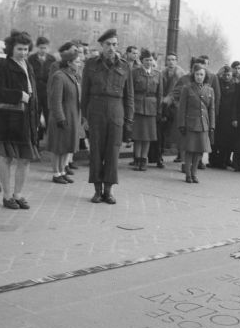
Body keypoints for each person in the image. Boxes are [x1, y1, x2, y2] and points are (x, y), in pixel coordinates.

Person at [81, 29, 134, 204]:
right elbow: (85, 93)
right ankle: (97, 190)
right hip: (95, 110)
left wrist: (129, 120)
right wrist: (84, 117)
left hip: (116, 109)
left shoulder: (125, 66)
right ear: (102, 46)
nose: (112, 48)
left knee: (113, 151)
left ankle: (109, 190)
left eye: (114, 44)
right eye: (108, 45)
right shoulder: (91, 64)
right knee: (96, 150)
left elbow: (129, 95)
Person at [0, 30, 39, 210]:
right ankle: (7, 196)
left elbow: (34, 93)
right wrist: (19, 95)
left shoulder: (28, 65)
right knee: (6, 158)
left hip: (27, 117)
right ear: (11, 48)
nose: (24, 53)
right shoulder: (1, 64)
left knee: (25, 159)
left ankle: (18, 195)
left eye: (26, 49)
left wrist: (37, 113)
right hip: (8, 119)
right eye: (20, 49)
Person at [47, 43, 81, 184]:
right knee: (58, 147)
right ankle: (56, 173)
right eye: (77, 62)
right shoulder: (59, 76)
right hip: (62, 117)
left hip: (72, 116)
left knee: (66, 146)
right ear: (69, 63)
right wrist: (60, 118)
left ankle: (62, 171)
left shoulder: (73, 76)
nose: (79, 64)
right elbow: (56, 100)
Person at [178, 63, 215, 183]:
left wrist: (212, 125)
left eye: (202, 74)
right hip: (190, 124)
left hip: (204, 124)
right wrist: (182, 124)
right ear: (193, 75)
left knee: (199, 150)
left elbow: (211, 109)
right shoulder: (187, 88)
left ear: (205, 76)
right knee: (190, 150)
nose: (199, 77)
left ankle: (194, 173)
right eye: (197, 74)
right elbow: (182, 108)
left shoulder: (209, 90)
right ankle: (188, 174)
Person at [131, 48, 163, 171]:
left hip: (151, 108)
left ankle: (144, 159)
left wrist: (159, 110)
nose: (149, 62)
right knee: (138, 135)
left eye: (150, 60)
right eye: (146, 60)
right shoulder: (135, 72)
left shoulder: (157, 74)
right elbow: (131, 91)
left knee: (148, 136)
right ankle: (137, 159)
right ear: (141, 61)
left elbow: (160, 93)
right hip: (138, 107)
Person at [28, 36, 56, 142]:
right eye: (40, 47)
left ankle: (50, 141)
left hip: (48, 93)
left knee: (49, 117)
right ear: (37, 48)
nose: (42, 50)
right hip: (35, 92)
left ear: (48, 48)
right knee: (35, 117)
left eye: (45, 48)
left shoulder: (52, 59)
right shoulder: (31, 59)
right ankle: (34, 141)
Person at [209, 65, 237, 169]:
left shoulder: (235, 85)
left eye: (228, 75)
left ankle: (222, 161)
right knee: (214, 140)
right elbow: (213, 79)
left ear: (231, 75)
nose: (226, 77)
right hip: (217, 114)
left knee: (225, 140)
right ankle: (212, 161)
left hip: (228, 116)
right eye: (224, 75)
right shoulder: (217, 82)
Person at [159, 52, 185, 165]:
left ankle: (180, 154)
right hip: (163, 104)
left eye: (173, 59)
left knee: (177, 131)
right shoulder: (162, 73)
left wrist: (172, 98)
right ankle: (159, 155)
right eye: (169, 59)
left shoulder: (181, 75)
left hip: (176, 105)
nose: (171, 62)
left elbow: (182, 90)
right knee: (162, 130)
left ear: (176, 61)